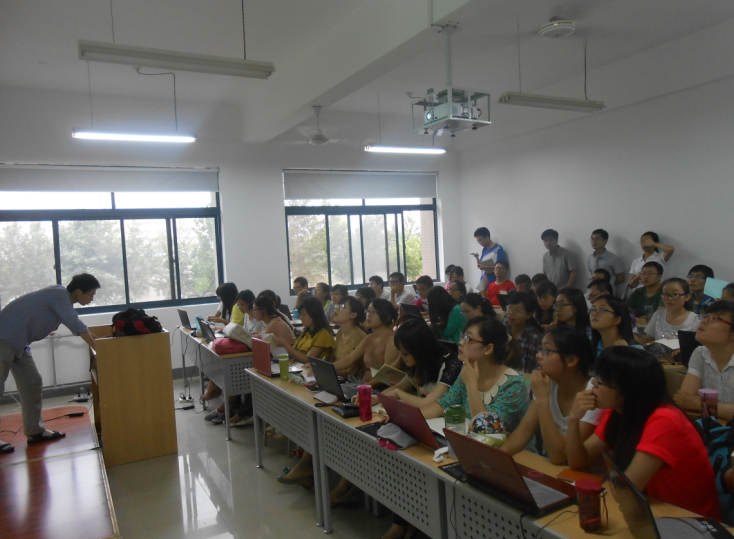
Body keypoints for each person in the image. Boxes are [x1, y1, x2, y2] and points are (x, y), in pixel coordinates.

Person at [566, 346, 720, 520]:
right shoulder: (618, 412)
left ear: (627, 391)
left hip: (689, 521)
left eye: (601, 383)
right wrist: (574, 419)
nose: (592, 385)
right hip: (653, 512)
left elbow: (626, 493)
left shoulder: (664, 421)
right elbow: (577, 462)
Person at [0, 273, 100, 452]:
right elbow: (76, 324)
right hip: (4, 338)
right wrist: (101, 351)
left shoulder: (63, 302)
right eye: (90, 294)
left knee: (32, 383)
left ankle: (35, 431)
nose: (92, 299)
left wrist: (101, 344)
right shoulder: (58, 294)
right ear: (78, 291)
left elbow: (80, 327)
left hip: (19, 343)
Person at [502, 326, 602, 463]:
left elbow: (560, 457)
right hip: (549, 466)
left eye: (547, 351)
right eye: (540, 349)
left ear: (571, 360)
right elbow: (523, 433)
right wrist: (496, 458)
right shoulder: (549, 382)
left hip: (576, 472)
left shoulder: (593, 395)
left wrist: (543, 400)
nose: (538, 355)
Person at [420, 317, 530, 436]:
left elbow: (488, 429)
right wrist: (410, 420)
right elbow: (445, 404)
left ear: (488, 348)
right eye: (462, 336)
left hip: (506, 446)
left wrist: (471, 384)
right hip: (472, 440)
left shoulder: (513, 384)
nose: (461, 342)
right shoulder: (468, 369)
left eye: (468, 339)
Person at [674, 300, 734, 420]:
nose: (704, 321)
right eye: (705, 317)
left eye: (714, 318)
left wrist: (699, 403)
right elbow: (685, 399)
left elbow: (692, 401)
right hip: (715, 427)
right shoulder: (700, 353)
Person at [332, 299, 398, 381]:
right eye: (368, 311)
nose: (369, 315)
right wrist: (327, 367)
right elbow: (348, 360)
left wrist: (365, 386)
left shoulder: (391, 341)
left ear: (387, 317)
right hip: (365, 383)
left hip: (379, 386)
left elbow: (387, 375)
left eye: (374, 312)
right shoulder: (369, 338)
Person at [635, 278, 699, 345]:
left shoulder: (696, 320)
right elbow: (647, 341)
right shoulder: (658, 315)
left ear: (687, 297)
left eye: (675, 294)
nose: (669, 298)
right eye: (665, 294)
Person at [275, 296, 335, 363]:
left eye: (304, 315)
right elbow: (293, 352)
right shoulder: (306, 332)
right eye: (300, 315)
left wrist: (286, 345)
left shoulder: (323, 335)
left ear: (314, 314)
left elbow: (307, 359)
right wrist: (279, 355)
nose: (301, 318)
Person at [505, 292, 543, 372]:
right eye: (509, 308)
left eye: (517, 310)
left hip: (521, 377)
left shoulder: (534, 338)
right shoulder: (503, 325)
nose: (511, 313)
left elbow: (532, 370)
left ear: (529, 315)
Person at [471, 227, 507, 291]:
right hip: (484, 282)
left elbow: (502, 267)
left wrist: (486, 267)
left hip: (494, 282)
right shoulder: (484, 250)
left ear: (487, 237)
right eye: (478, 241)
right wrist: (477, 258)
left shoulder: (498, 249)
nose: (480, 243)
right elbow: (480, 265)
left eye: (480, 240)